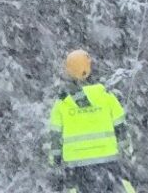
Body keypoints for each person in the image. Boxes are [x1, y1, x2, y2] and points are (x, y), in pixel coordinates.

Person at [46, 49, 138, 193]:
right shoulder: (106, 96)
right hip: (108, 166)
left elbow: (54, 138)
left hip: (76, 170)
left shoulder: (62, 102)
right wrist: (128, 156)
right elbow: (121, 130)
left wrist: (55, 165)